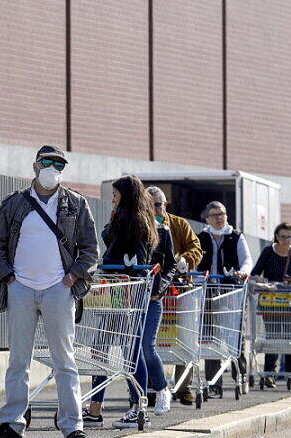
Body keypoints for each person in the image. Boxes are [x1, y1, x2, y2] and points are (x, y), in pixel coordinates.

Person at [0, 146, 97, 438]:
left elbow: (90, 250)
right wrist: (7, 277)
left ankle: (73, 426)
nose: (52, 168)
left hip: (59, 289)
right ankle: (12, 423)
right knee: (18, 360)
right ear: (35, 165)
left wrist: (73, 276)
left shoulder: (76, 204)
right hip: (20, 287)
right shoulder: (14, 203)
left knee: (65, 360)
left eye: (59, 164)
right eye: (47, 162)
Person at [85, 177, 175, 429]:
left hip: (131, 294)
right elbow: (113, 248)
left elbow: (138, 260)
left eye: (115, 194)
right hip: (115, 293)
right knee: (103, 349)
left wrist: (153, 287)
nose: (112, 198)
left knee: (135, 350)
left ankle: (141, 404)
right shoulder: (122, 219)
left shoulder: (142, 224)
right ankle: (96, 408)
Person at [146, 187, 203, 406]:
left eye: (158, 205)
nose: (155, 209)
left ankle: (183, 386)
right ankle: (152, 386)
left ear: (165, 205)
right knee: (152, 341)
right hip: (153, 290)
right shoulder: (142, 225)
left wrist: (185, 260)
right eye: (150, 206)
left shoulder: (178, 224)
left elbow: (195, 247)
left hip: (179, 289)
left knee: (184, 339)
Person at [196, 201, 253, 395]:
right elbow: (194, 261)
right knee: (209, 339)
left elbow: (247, 260)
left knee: (234, 337)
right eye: (215, 215)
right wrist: (195, 275)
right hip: (208, 292)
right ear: (207, 218)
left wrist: (242, 272)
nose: (219, 218)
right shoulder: (202, 237)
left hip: (231, 292)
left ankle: (241, 377)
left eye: (222, 214)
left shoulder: (235, 236)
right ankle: (213, 384)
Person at [250, 223, 291, 387]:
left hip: (290, 302)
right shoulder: (269, 251)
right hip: (270, 301)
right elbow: (255, 272)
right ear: (276, 236)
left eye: (289, 237)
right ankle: (270, 374)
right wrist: (261, 280)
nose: (285, 240)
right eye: (282, 237)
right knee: (273, 337)